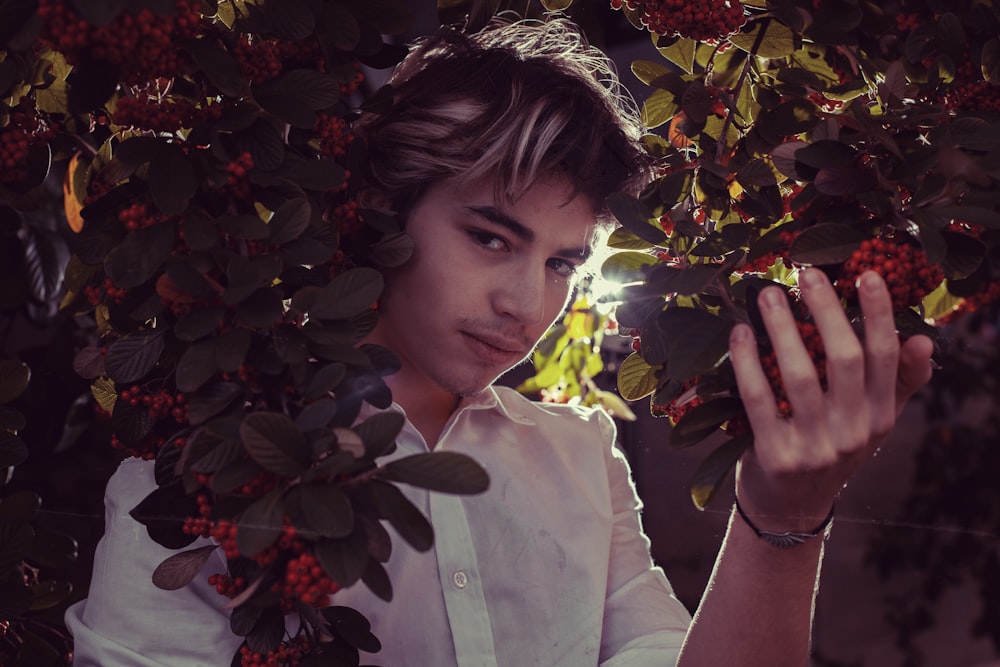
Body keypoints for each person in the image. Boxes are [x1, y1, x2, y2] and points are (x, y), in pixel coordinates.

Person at [65, 14, 934, 667]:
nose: (528, 303)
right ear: (379, 212)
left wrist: (784, 515)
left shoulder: (582, 460)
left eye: (562, 262)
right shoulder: (193, 483)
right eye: (489, 236)